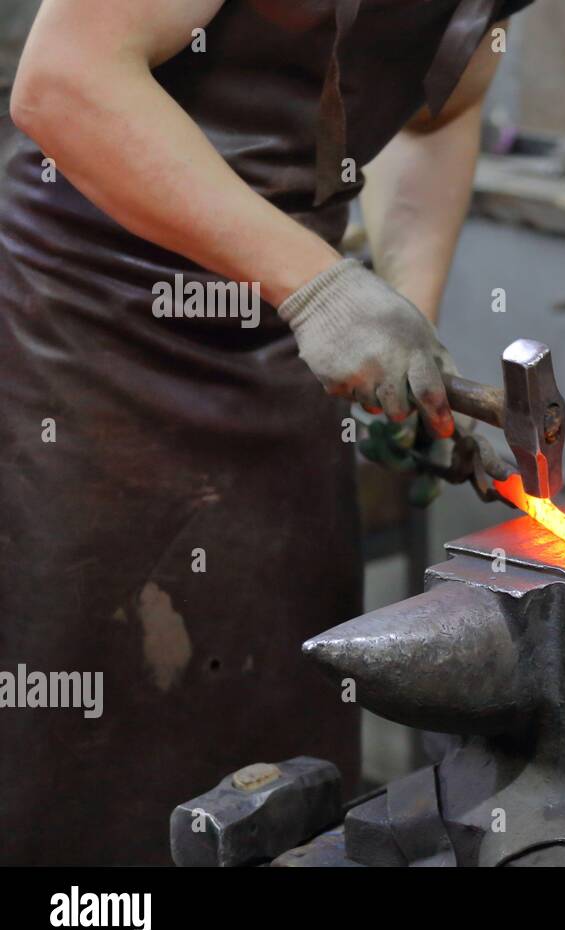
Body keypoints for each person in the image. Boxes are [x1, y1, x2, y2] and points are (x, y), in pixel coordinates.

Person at [0, 0, 532, 864]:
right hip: (88, 343)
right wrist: (319, 288)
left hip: (283, 349)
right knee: (73, 761)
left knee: (283, 759)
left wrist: (402, 326)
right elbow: (65, 84)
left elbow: (442, 113)